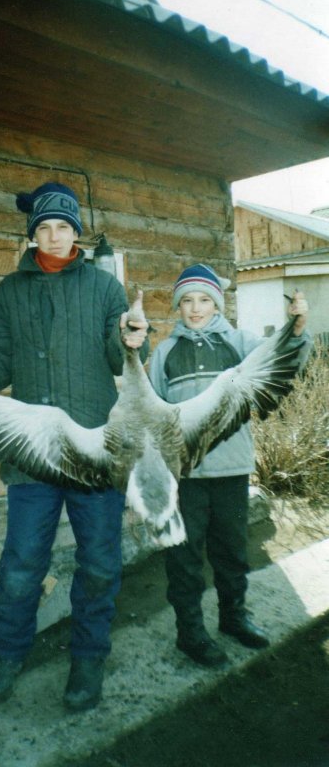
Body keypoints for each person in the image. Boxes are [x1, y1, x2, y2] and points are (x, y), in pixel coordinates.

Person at [0, 182, 149, 710]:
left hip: (94, 450)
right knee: (23, 563)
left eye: (64, 228)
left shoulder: (103, 288)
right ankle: (9, 655)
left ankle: (88, 659)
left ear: (76, 233)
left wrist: (134, 337)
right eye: (44, 228)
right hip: (32, 456)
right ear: (32, 236)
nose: (53, 237)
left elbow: (120, 358)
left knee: (98, 562)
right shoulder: (9, 292)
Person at [148, 263, 309, 666]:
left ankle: (234, 618)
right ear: (178, 307)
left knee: (232, 552)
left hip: (232, 471)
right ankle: (190, 633)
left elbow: (285, 361)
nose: (196, 308)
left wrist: (298, 326)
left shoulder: (241, 343)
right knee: (184, 558)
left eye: (204, 299)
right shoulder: (165, 352)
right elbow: (153, 416)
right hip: (185, 478)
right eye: (187, 300)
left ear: (217, 303)